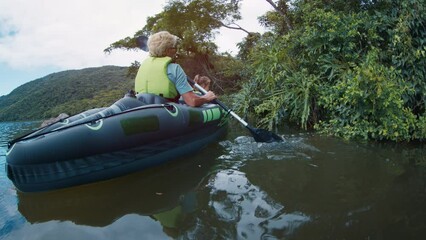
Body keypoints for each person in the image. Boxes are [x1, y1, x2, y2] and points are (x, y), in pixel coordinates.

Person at [134, 31, 216, 107]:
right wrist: (206, 97)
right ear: (167, 50)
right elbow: (192, 101)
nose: (176, 51)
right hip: (165, 112)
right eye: (174, 48)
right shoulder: (174, 68)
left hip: (142, 108)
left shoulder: (143, 66)